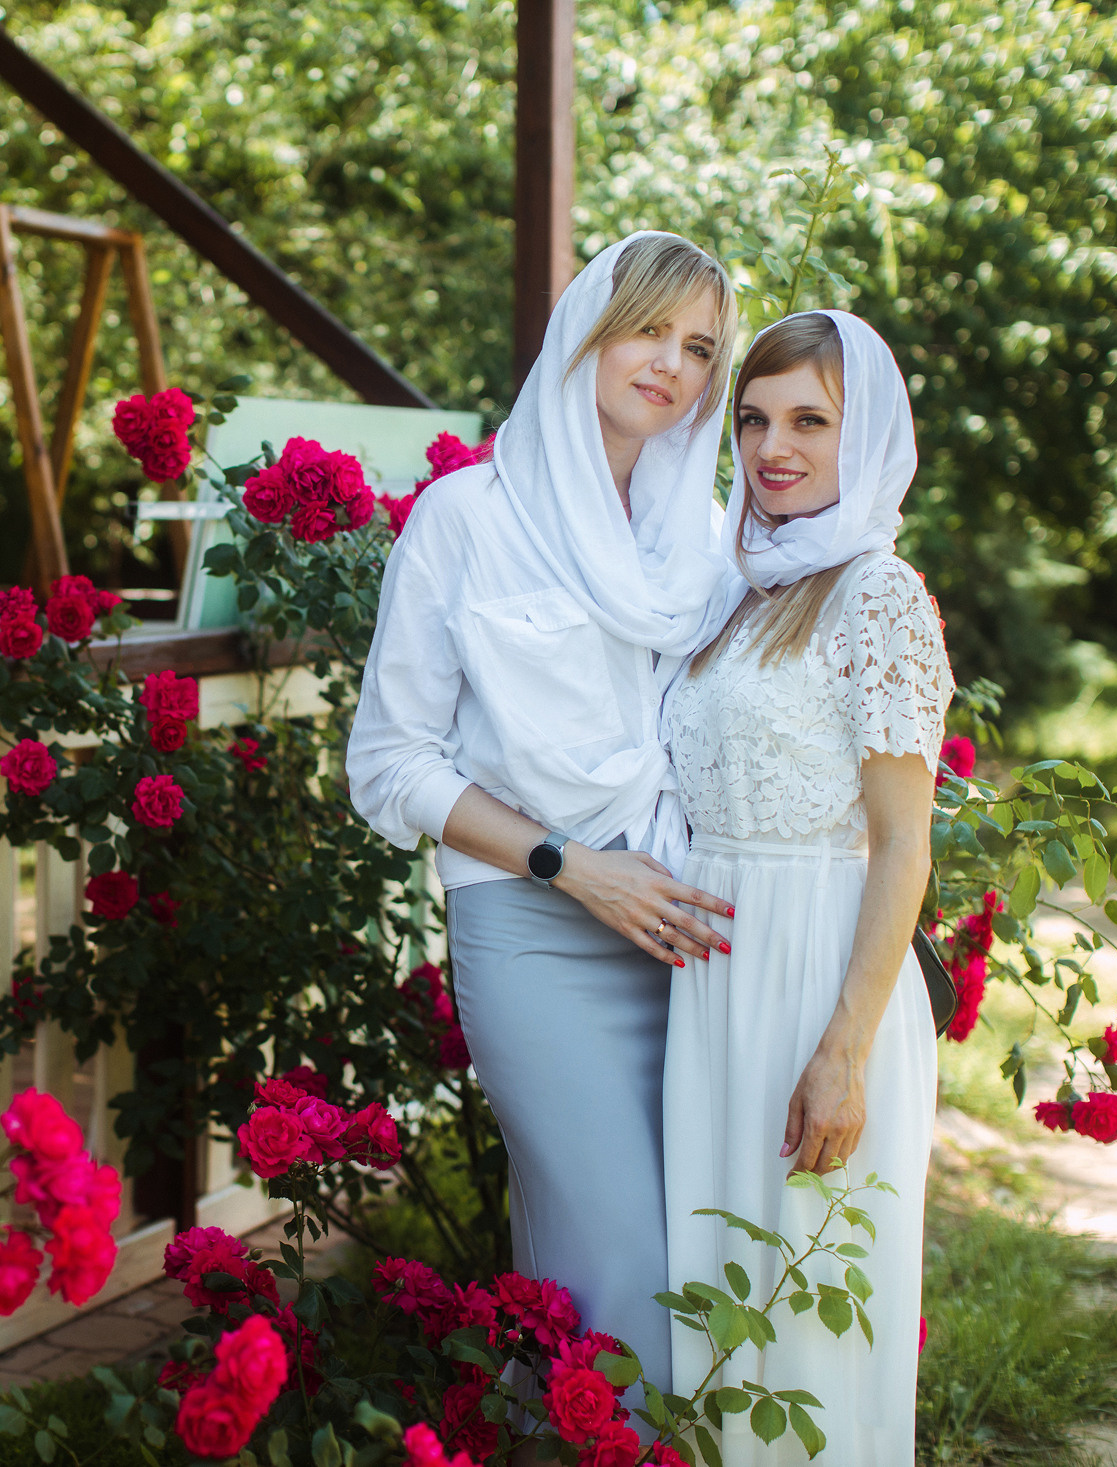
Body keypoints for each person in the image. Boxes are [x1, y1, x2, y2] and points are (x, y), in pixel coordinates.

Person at [347, 232, 746, 1396]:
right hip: (538, 932)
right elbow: (388, 765)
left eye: (698, 349)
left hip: (691, 934)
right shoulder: (468, 518)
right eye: (648, 330)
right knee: (616, 1260)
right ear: (586, 329)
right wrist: (571, 866)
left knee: (688, 1248)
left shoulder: (710, 539)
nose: (669, 365)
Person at [661, 310, 948, 1460]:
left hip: (821, 977)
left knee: (809, 1322)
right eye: (753, 419)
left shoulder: (876, 594)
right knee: (715, 1294)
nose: (773, 447)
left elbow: (901, 846)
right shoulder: (738, 586)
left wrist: (843, 1050)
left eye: (810, 421)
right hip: (713, 981)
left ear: (863, 431)